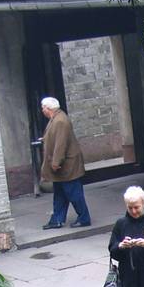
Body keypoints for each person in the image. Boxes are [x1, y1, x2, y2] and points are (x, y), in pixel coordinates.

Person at [39, 97, 90, 230]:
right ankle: (57, 219)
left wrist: (56, 162)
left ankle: (84, 218)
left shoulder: (60, 121)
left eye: (43, 107)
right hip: (64, 166)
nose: (42, 110)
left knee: (74, 193)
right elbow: (55, 137)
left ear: (48, 108)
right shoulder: (56, 118)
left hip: (67, 165)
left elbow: (61, 143)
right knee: (60, 194)